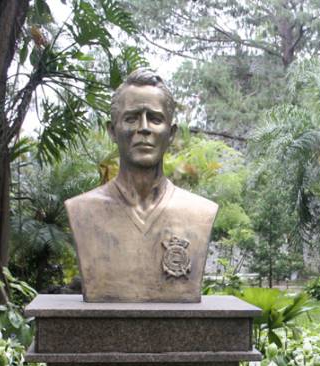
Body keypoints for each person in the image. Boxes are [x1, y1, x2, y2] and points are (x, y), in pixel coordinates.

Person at [65, 69, 217, 302]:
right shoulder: (82, 211)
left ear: (171, 133)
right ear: (112, 131)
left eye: (155, 119)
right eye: (131, 118)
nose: (143, 128)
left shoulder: (200, 212)